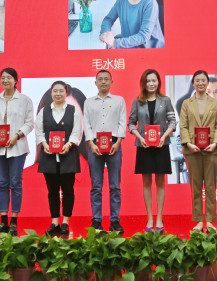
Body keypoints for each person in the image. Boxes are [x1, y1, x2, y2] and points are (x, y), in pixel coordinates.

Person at [0, 68, 35, 236]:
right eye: (3, 77)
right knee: (2, 183)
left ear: (15, 80)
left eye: (9, 77)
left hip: (17, 147)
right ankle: (3, 220)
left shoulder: (25, 100)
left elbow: (29, 123)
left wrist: (17, 136)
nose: (5, 80)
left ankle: (14, 220)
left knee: (15, 183)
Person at [128, 69, 177, 233]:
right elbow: (131, 124)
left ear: (158, 82)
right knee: (146, 183)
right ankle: (150, 217)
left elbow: (172, 122)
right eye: (148, 81)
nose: (151, 84)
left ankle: (159, 217)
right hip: (144, 147)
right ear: (143, 83)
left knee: (161, 182)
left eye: (154, 80)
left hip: (161, 146)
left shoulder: (165, 100)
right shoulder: (137, 102)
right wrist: (140, 137)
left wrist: (164, 136)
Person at [35, 81, 82, 236]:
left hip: (68, 155)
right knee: (52, 191)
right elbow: (39, 131)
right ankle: (55, 222)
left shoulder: (73, 110)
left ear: (66, 92)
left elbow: (76, 131)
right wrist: (44, 144)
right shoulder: (44, 111)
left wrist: (69, 144)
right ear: (51, 93)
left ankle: (65, 222)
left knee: (68, 190)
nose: (58, 94)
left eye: (61, 91)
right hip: (48, 156)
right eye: (55, 91)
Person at [83, 70, 127, 233]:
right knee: (96, 186)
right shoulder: (89, 102)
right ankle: (97, 220)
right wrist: (90, 144)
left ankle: (115, 220)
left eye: (106, 79)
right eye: (100, 79)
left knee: (115, 185)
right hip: (95, 145)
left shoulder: (119, 100)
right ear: (95, 82)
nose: (103, 82)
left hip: (114, 144)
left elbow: (122, 122)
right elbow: (86, 124)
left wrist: (119, 142)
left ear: (111, 82)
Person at [179, 70, 217, 232]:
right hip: (192, 150)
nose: (200, 83)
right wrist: (188, 143)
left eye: (203, 80)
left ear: (207, 83)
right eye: (197, 80)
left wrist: (216, 143)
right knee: (196, 187)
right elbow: (183, 125)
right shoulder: (186, 103)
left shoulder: (215, 103)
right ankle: (198, 221)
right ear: (193, 83)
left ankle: (210, 221)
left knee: (211, 187)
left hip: (212, 150)